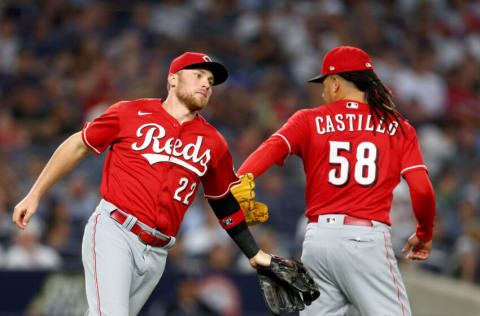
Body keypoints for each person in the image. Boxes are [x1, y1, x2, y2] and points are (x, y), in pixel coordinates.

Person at [13, 52, 272, 316]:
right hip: (115, 230)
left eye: (210, 80)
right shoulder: (130, 112)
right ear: (173, 79)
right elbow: (78, 145)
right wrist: (34, 194)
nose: (206, 84)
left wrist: (253, 252)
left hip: (158, 253)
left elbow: (222, 201)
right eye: (198, 75)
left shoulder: (214, 141)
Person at [236, 46, 436, 316]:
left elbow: (269, 150)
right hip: (366, 241)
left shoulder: (308, 119)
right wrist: (424, 234)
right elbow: (422, 191)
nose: (322, 92)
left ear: (335, 82)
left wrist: (238, 181)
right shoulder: (397, 125)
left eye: (324, 84)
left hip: (318, 242)